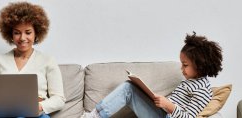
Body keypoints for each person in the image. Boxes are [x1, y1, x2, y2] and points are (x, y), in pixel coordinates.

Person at [84, 32, 223, 118]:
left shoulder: (203, 90)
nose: (182, 69)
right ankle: (94, 115)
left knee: (128, 89)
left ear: (200, 64)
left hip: (166, 115)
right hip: (162, 111)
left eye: (185, 65)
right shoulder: (190, 81)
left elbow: (188, 116)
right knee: (129, 87)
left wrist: (169, 106)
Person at [0, 2, 65, 118]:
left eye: (28, 32)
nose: (22, 38)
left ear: (36, 33)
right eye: (17, 33)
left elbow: (59, 99)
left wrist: (39, 106)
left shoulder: (48, 61)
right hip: (5, 113)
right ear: (11, 35)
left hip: (35, 114)